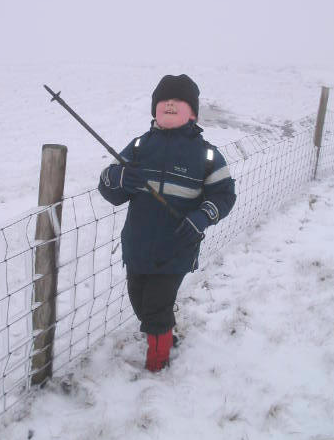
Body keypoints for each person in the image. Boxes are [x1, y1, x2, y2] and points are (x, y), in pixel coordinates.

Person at [98, 74, 236, 371]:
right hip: (137, 246)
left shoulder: (207, 155)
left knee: (155, 308)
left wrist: (202, 217)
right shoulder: (137, 147)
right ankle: (162, 332)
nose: (170, 104)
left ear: (193, 112)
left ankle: (156, 364)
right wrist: (120, 179)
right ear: (154, 109)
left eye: (179, 100)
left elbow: (225, 196)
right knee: (140, 302)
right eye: (164, 101)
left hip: (177, 248)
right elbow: (108, 186)